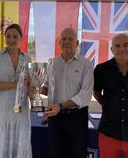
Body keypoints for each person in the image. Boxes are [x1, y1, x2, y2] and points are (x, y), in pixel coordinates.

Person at [39, 27, 94, 158]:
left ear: (77, 43)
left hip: (77, 118)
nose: (67, 42)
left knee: (77, 154)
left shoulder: (86, 64)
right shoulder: (52, 63)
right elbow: (46, 87)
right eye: (64, 39)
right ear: (59, 43)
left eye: (70, 39)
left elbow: (85, 95)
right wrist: (34, 87)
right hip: (55, 118)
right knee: (55, 153)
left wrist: (61, 106)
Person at [0, 24, 32, 158]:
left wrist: (35, 96)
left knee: (19, 145)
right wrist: (16, 84)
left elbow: (31, 85)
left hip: (21, 112)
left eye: (15, 36)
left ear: (21, 38)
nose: (11, 39)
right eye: (8, 36)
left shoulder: (27, 59)